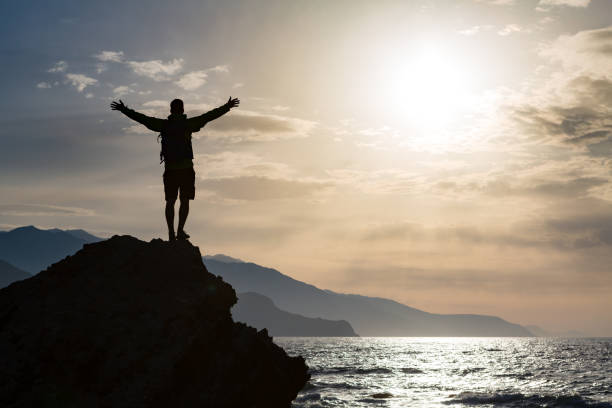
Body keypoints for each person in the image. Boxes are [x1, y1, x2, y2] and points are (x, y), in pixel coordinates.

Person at [111, 97, 240, 241]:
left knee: (170, 201)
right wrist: (227, 106)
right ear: (183, 110)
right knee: (185, 201)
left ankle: (171, 233)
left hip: (170, 169)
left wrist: (124, 109)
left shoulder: (163, 125)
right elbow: (209, 116)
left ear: (171, 110)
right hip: (186, 169)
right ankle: (180, 231)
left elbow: (142, 119)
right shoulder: (189, 124)